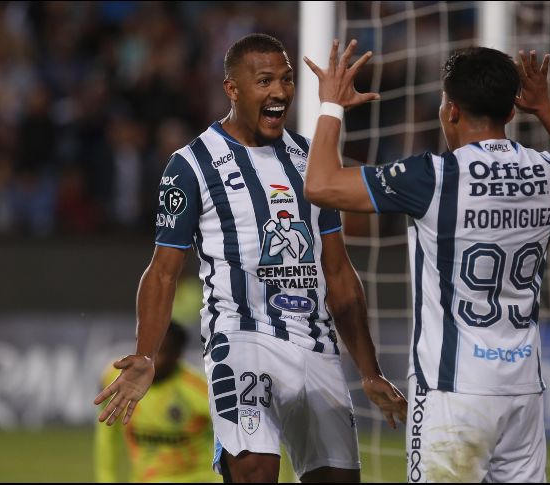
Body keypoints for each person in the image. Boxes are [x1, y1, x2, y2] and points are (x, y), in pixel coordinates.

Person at [94, 33, 406, 483]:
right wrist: (147, 353)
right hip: (240, 340)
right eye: (264, 81)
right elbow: (163, 272)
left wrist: (370, 370)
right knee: (255, 472)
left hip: (315, 346)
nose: (279, 91)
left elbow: (338, 272)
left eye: (286, 79)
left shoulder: (309, 158)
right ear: (232, 89)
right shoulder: (192, 164)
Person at [302, 40, 550, 483]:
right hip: (522, 389)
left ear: (450, 111)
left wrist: (331, 105)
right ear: (510, 112)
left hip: (454, 390)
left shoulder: (434, 177)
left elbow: (321, 185)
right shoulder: (549, 172)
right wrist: (545, 108)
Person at [94, 321, 219, 482]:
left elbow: (230, 441)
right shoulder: (116, 379)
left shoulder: (199, 390)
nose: (150, 360)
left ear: (177, 355)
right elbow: (107, 438)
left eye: (160, 353)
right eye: (145, 351)